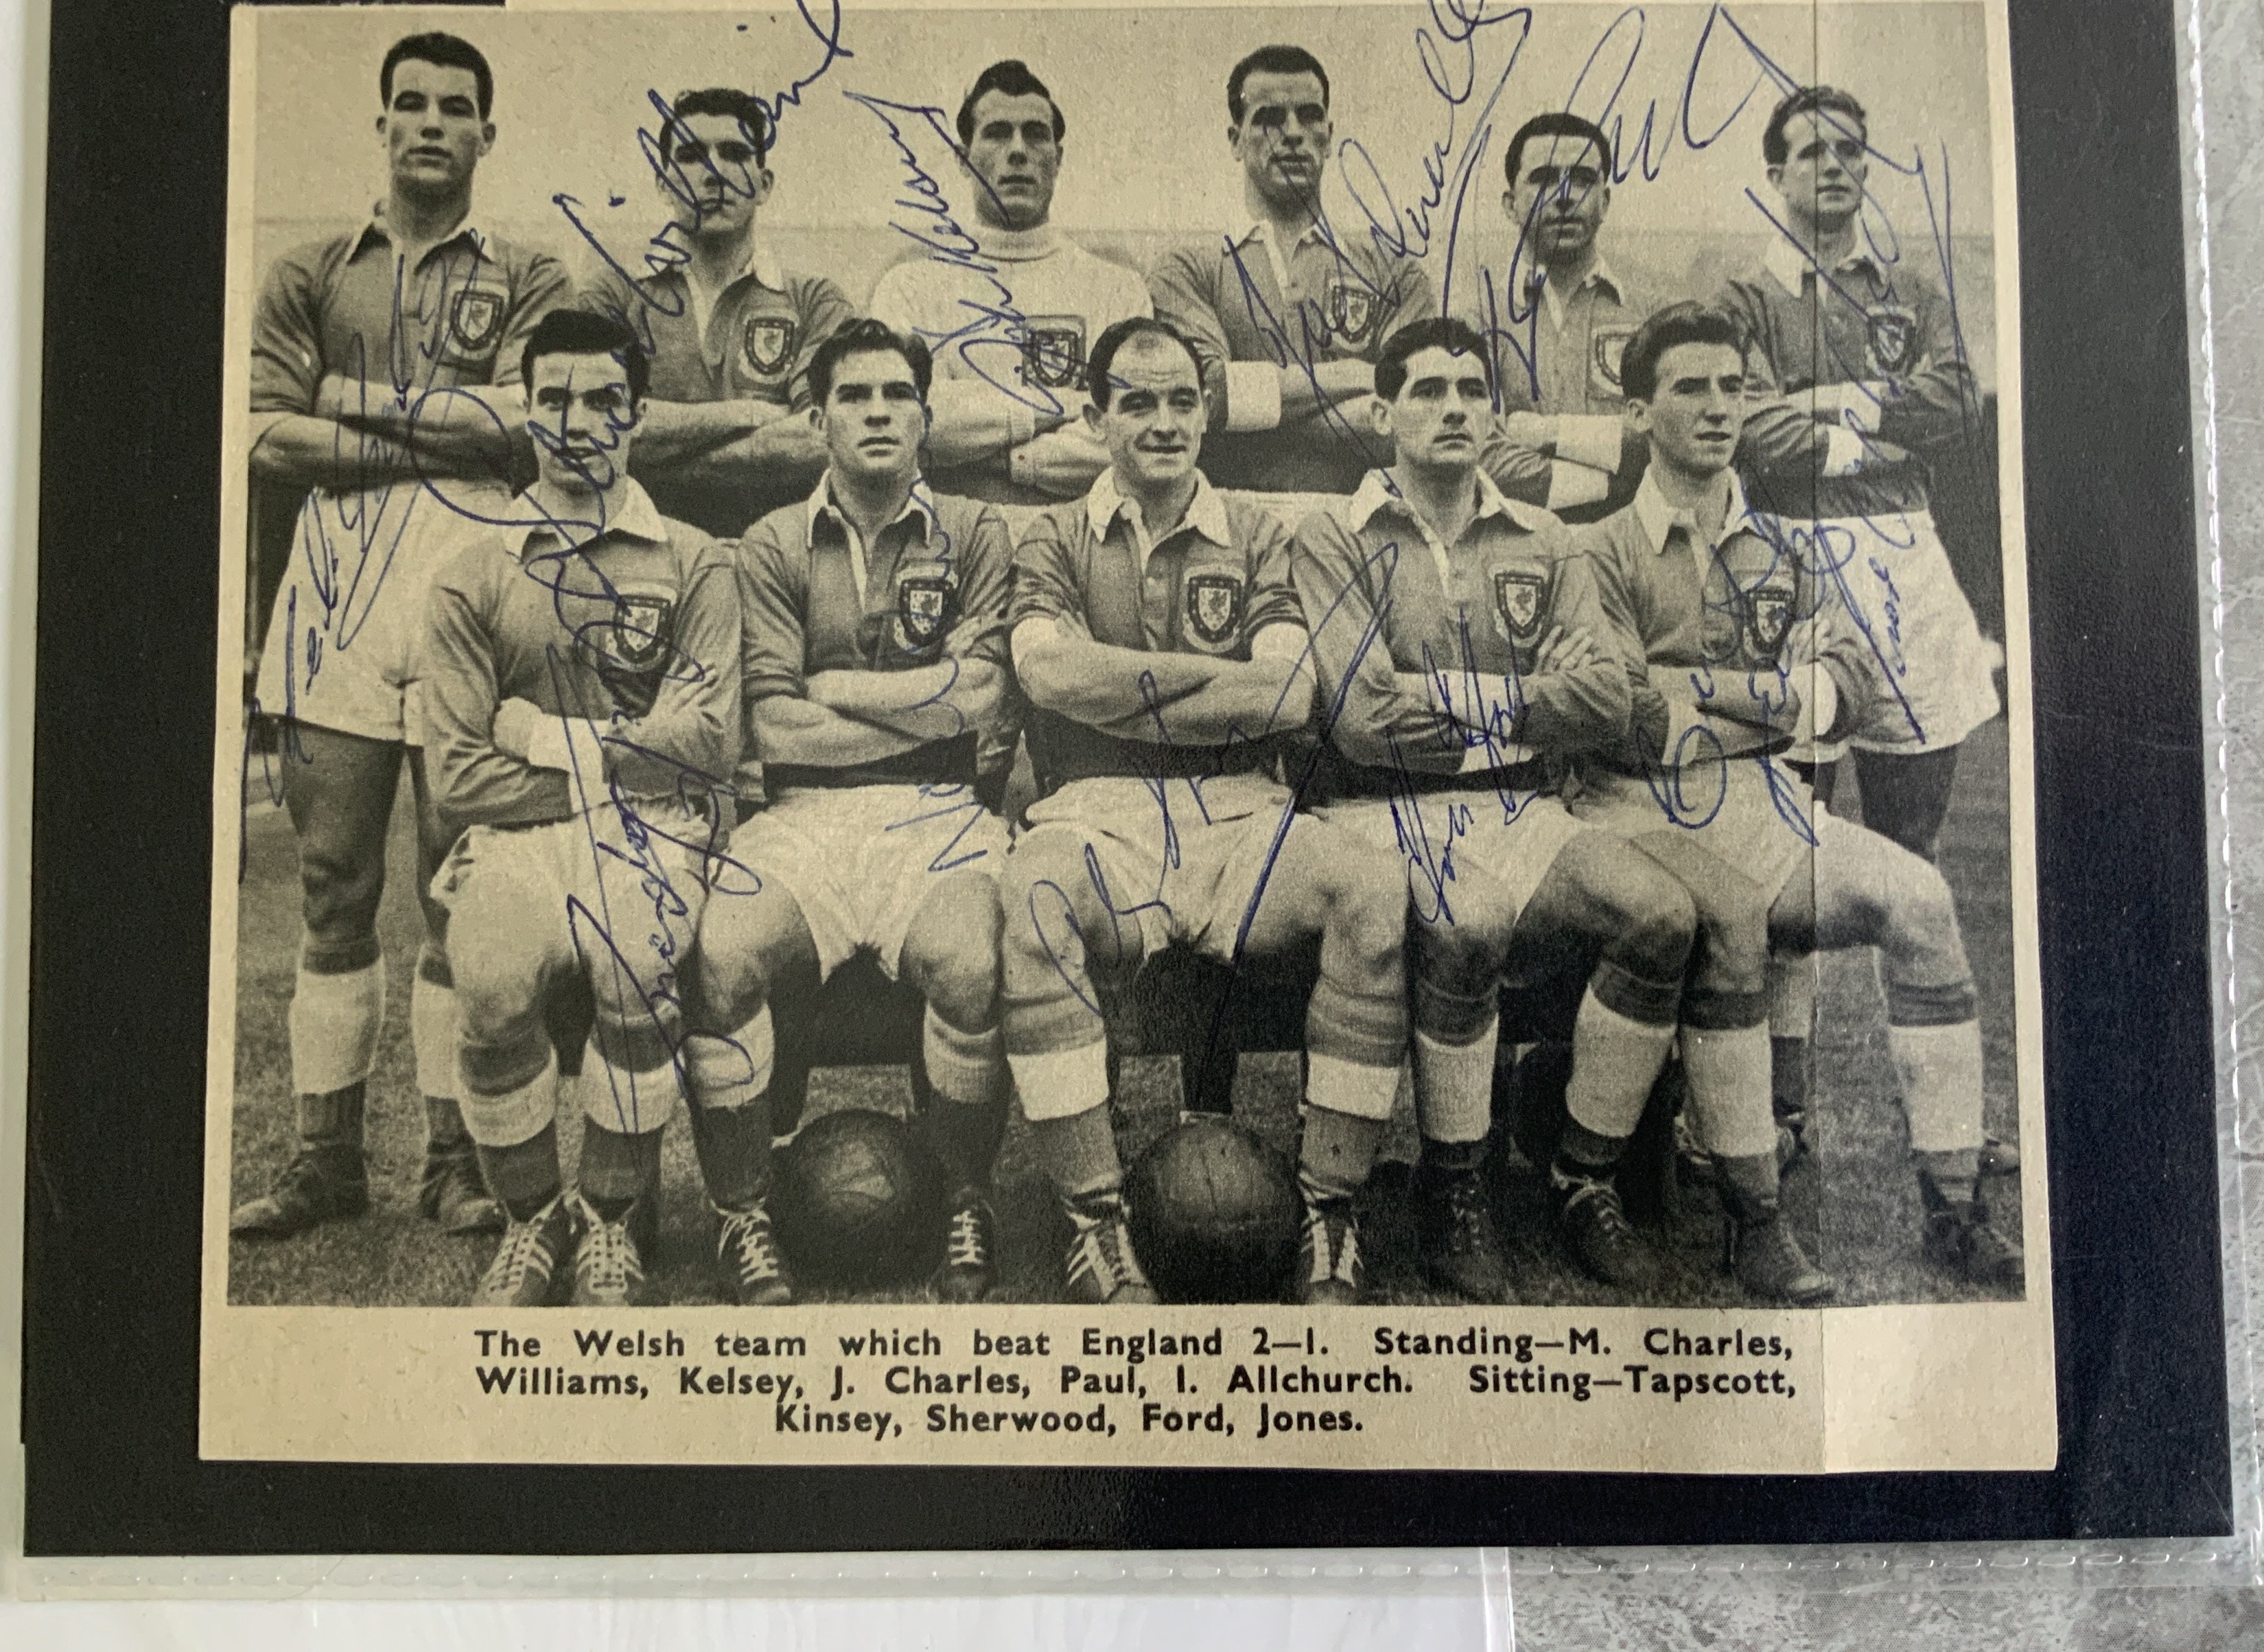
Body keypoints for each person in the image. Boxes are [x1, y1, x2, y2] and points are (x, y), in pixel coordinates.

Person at [1579, 303, 2022, 1294]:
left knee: (1923, 900)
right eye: (1689, 388)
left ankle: (1955, 1206)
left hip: (1762, 805)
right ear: (1641, 412)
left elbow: (1848, 688)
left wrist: (1716, 691)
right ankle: (1756, 1220)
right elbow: (1628, 717)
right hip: (1633, 814)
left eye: (1733, 386)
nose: (1717, 407)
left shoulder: (1790, 546)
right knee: (1732, 919)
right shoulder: (1597, 550)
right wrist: (1779, 698)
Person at [235, 30, 577, 1244]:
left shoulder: (531, 272)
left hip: (468, 590)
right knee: (333, 885)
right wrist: (434, 434)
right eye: (411, 105)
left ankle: (455, 1161)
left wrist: (354, 399)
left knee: (456, 890)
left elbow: (530, 430)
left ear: (489, 132)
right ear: (381, 123)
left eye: (457, 108)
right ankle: (324, 1159)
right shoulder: (308, 271)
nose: (432, 123)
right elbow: (267, 438)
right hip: (333, 592)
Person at [1289, 316, 1701, 1303]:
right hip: (1381, 810)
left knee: (1663, 916)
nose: (1453, 408)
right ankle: (1457, 1185)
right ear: (1382, 411)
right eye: (1427, 390)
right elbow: (1360, 719)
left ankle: (1581, 1176)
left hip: (1518, 807)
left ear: (1497, 414)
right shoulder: (1332, 534)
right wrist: (1525, 704)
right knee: (1466, 926)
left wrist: (1454, 701)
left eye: (1472, 390)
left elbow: (1606, 701)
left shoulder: (1545, 536)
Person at [999, 317, 1408, 1305]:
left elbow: (1285, 696)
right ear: (1096, 419)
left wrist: (1120, 683)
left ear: (1208, 414)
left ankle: (1326, 1210)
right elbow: (1045, 672)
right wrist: (1206, 686)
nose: (1165, 420)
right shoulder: (1052, 534)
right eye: (1137, 401)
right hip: (1095, 810)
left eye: (1184, 399)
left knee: (1370, 885)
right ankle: (1096, 1222)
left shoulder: (1261, 532)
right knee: (1033, 889)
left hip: (1240, 814)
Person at [417, 310, 743, 1307]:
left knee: (634, 957)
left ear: (637, 415)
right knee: (492, 971)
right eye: (554, 398)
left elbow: (712, 746)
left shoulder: (695, 560)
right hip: (516, 836)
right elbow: (458, 782)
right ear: (525, 411)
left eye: (604, 399)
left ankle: (608, 1223)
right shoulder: (472, 571)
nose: (578, 420)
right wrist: (632, 754)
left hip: (655, 836)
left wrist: (541, 735)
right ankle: (532, 1223)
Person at [688, 319, 1017, 1305]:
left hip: (940, 811)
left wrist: (838, 689)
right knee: (723, 953)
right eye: (856, 396)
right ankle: (741, 1213)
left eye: (898, 395)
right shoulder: (771, 541)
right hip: (803, 816)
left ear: (927, 415)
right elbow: (774, 729)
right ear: (818, 417)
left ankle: (964, 1195)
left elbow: (980, 700)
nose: (879, 411)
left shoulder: (978, 531)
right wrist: (922, 711)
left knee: (973, 964)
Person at [1716, 84, 2000, 863]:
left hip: (1904, 558)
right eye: (1813, 151)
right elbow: (1753, 429)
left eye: (1850, 150)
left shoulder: (1912, 292)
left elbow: (1958, 404)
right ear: (1776, 173)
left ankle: (1902, 988)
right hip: (1784, 555)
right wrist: (1880, 441)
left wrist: (1832, 402)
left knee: (1909, 842)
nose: (1835, 165)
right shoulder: (1743, 299)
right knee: (1783, 846)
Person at [867, 59, 1152, 507]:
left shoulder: (1117, 288)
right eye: (998, 132)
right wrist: (1063, 403)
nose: (1017, 151)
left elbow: (1134, 432)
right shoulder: (908, 286)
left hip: (1083, 538)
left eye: (1035, 134)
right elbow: (900, 422)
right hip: (948, 538)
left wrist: (994, 454)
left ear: (1058, 159)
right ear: (964, 159)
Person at [1147, 45, 1424, 493]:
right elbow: (1210, 398)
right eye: (1270, 118)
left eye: (1309, 116)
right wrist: (1364, 374)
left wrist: (1256, 410)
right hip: (1233, 526)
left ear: (1330, 136)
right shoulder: (1187, 270)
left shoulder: (1395, 274)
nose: (1292, 133)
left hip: (1364, 527)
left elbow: (1414, 414)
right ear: (1235, 140)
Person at [598, 86, 854, 539]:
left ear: (764, 185)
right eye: (692, 156)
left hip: (780, 545)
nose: (714, 173)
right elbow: (594, 425)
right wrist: (753, 414)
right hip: (640, 539)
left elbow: (820, 439)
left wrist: (664, 452)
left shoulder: (814, 301)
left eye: (735, 154)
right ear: (663, 183)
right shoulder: (615, 293)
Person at [1467, 111, 1653, 519]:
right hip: (1512, 541)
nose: (1565, 196)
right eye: (1545, 179)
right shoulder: (1478, 317)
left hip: (1628, 543)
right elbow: (1476, 450)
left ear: (1605, 202)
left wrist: (1538, 432)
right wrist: (1609, 479)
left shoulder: (1649, 313)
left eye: (1584, 179)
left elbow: (1668, 435)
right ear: (1510, 205)